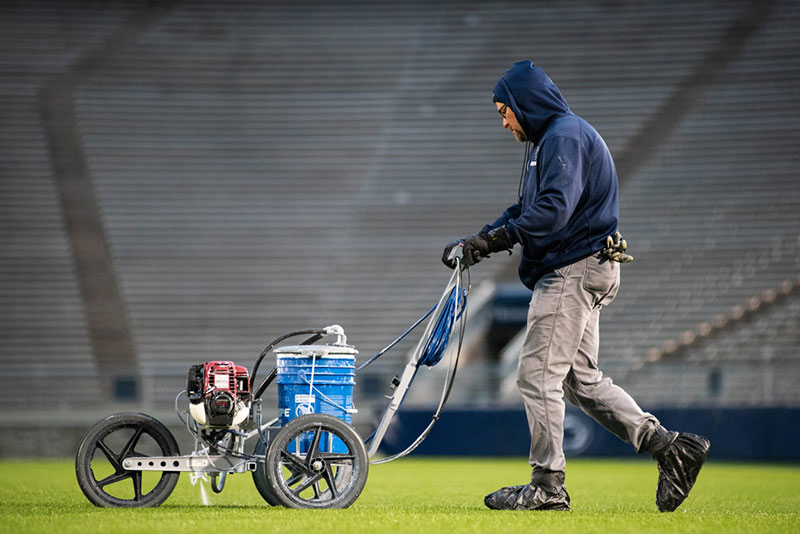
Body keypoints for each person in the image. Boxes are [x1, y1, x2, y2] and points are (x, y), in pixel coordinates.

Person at [442, 60, 710, 512]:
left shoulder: (562, 136)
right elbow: (525, 208)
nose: (503, 120)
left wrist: (497, 240)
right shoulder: (550, 139)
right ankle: (672, 448)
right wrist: (479, 241)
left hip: (572, 271)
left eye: (504, 111)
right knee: (580, 381)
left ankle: (547, 485)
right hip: (588, 267)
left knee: (536, 374)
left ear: (524, 103)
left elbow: (552, 210)